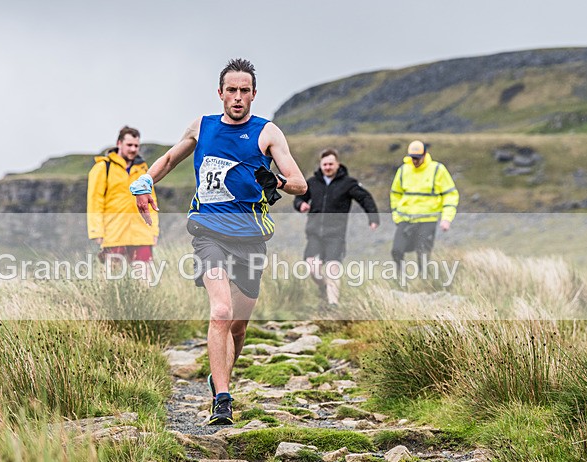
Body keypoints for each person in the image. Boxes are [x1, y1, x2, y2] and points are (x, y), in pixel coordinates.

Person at [130, 58, 307, 425]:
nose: (238, 97)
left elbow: (300, 184)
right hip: (208, 232)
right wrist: (144, 182)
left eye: (245, 91)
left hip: (251, 237)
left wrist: (274, 181)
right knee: (221, 312)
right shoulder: (203, 126)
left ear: (254, 94)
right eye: (231, 90)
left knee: (239, 326)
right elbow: (167, 160)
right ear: (220, 93)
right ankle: (222, 400)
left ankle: (220, 373)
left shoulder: (268, 132)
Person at [294, 149, 379, 307]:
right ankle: (323, 287)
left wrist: (373, 217)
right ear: (320, 165)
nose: (327, 167)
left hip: (335, 235)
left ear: (337, 164)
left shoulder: (348, 183)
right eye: (324, 164)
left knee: (333, 269)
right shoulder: (312, 182)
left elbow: (365, 197)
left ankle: (333, 305)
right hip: (314, 234)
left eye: (330, 164)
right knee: (312, 267)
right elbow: (299, 197)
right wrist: (301, 204)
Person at [87, 126, 159, 281]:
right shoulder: (102, 168)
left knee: (144, 282)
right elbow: (95, 201)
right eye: (129, 145)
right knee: (113, 283)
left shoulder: (143, 170)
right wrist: (96, 231)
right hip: (114, 233)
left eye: (136, 146)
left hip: (142, 234)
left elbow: (151, 202)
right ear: (119, 143)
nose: (133, 149)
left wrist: (154, 231)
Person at [390, 140, 459, 276]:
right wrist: (396, 216)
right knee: (396, 250)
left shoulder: (437, 170)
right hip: (406, 219)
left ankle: (423, 281)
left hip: (428, 220)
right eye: (412, 158)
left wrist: (446, 219)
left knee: (422, 252)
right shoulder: (403, 170)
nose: (415, 161)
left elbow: (450, 195)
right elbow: (395, 194)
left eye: (417, 158)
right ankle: (400, 279)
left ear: (425, 155)